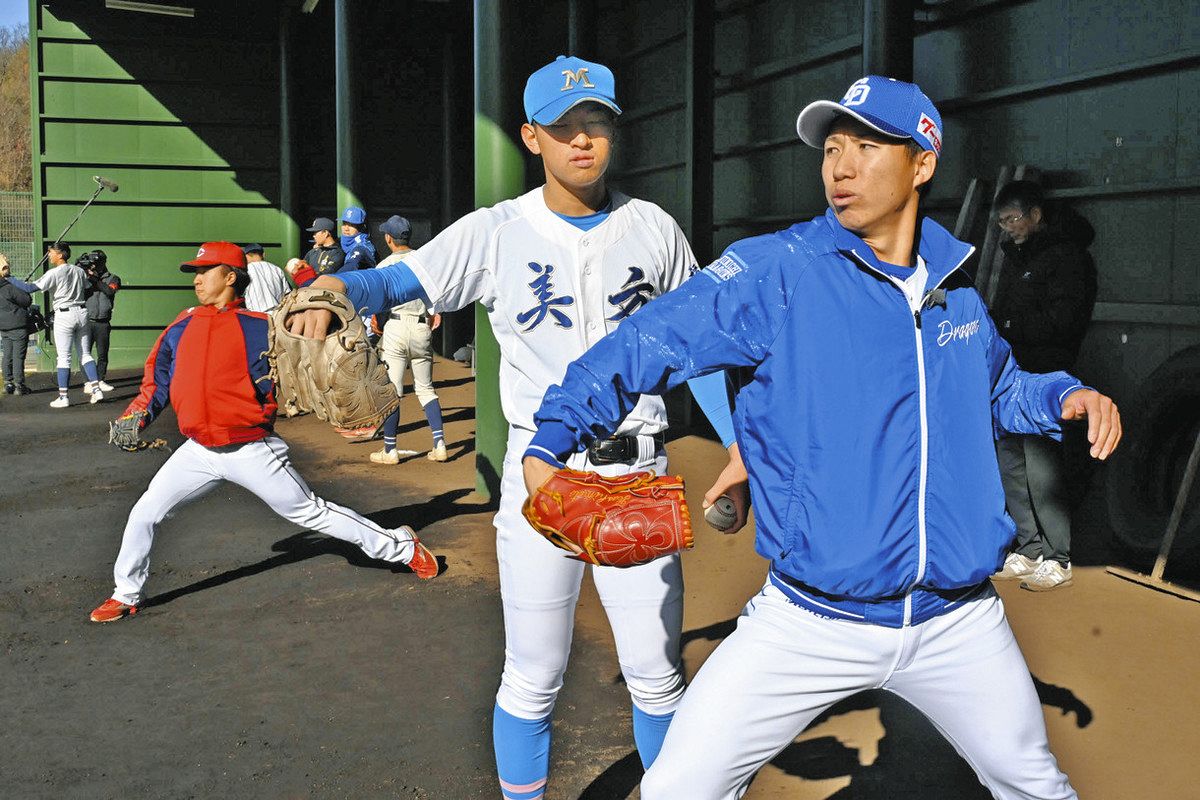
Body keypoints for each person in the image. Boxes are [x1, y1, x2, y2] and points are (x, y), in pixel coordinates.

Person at [520, 76, 1122, 799]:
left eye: (866, 147)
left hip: (958, 621)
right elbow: (652, 338)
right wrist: (552, 438)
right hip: (811, 621)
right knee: (679, 789)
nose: (840, 167)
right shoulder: (782, 270)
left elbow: (996, 388)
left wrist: (1063, 396)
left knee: (1036, 786)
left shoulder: (955, 289)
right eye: (832, 149)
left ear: (922, 163)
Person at [285, 55, 737, 800]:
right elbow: (401, 278)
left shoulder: (653, 228)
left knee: (657, 678)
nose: (582, 139)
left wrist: (739, 445)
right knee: (533, 675)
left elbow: (703, 345)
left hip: (636, 473)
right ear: (531, 136)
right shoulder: (497, 230)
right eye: (564, 126)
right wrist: (339, 284)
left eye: (596, 122)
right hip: (542, 474)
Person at [87, 241, 439, 625]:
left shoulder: (263, 327)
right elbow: (157, 380)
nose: (197, 279)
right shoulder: (181, 326)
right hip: (198, 450)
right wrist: (136, 416)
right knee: (144, 513)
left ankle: (402, 547)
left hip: (250, 449)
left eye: (205, 271)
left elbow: (315, 358)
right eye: (195, 272)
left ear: (231, 277)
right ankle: (126, 594)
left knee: (311, 512)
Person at [989, 180, 1097, 592]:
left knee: (1042, 471)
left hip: (1047, 378)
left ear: (1035, 215)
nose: (1008, 228)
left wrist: (1009, 326)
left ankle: (1058, 558)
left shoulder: (1067, 258)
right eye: (1002, 222)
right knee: (1011, 465)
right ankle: (1030, 548)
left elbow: (1065, 321)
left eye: (1013, 219)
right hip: (1010, 377)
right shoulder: (1017, 257)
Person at [368, 215, 448, 464]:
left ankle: (390, 450)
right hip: (421, 326)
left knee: (394, 390)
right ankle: (440, 444)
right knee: (425, 388)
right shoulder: (423, 261)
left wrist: (377, 322)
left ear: (389, 239)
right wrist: (435, 312)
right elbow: (436, 298)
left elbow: (378, 304)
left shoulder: (384, 266)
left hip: (397, 326)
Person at [9, 242, 105, 407]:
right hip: (82, 312)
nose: (49, 255)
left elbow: (29, 288)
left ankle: (63, 397)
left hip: (64, 314)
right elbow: (89, 287)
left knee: (64, 357)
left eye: (51, 252)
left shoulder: (54, 272)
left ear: (60, 255)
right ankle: (96, 390)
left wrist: (9, 278)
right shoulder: (79, 271)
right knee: (86, 354)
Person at [82, 249, 121, 392]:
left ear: (103, 263)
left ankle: (100, 380)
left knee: (102, 354)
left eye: (97, 263)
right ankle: (87, 382)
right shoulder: (84, 277)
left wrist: (95, 279)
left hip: (103, 322)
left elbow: (110, 291)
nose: (94, 266)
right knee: (85, 353)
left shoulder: (114, 278)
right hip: (87, 321)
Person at [0, 255, 32, 395]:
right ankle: (19, 385)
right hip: (17, 325)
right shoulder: (9, 287)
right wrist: (20, 287)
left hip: (3, 326)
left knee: (7, 354)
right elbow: (26, 300)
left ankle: (8, 382)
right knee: (18, 356)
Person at [240, 243, 291, 313]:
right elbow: (287, 294)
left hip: (256, 315)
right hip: (278, 314)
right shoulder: (277, 269)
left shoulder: (247, 270)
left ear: (246, 256)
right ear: (263, 254)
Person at [339, 206, 377, 271]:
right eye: (344, 224)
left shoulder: (363, 246)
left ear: (361, 227)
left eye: (351, 225)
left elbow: (351, 266)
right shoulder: (343, 243)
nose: (346, 229)